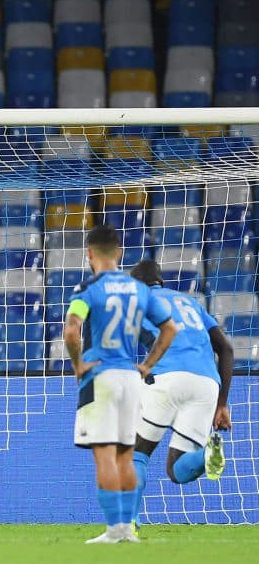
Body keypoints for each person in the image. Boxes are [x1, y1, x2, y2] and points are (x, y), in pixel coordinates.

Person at [63, 224, 178, 544]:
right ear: (120, 253)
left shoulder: (87, 289)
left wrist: (77, 365)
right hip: (131, 378)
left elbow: (72, 330)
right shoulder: (140, 290)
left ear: (89, 254)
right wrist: (147, 365)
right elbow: (169, 328)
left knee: (104, 454)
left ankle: (114, 528)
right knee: (126, 455)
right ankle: (128, 527)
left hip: (100, 376)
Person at [127, 259, 233, 531]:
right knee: (177, 471)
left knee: (137, 453)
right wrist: (222, 404)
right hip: (208, 384)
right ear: (160, 281)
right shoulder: (192, 304)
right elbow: (226, 349)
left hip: (167, 377)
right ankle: (206, 455)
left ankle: (130, 520)